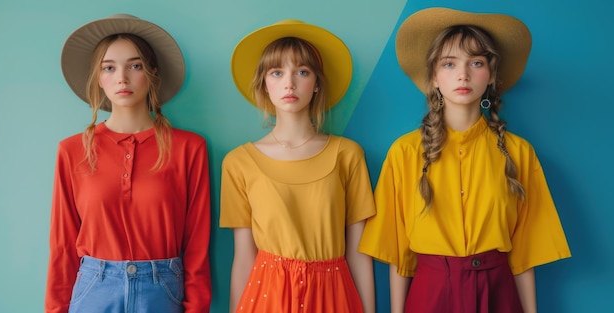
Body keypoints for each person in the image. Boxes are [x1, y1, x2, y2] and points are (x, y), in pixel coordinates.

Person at [359, 7, 571, 313]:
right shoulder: (404, 153)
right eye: (449, 63)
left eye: (476, 62)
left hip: (498, 293)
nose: (463, 74)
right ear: (433, 76)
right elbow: (398, 256)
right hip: (429, 294)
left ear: (491, 76)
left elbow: (526, 256)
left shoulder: (519, 152)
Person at [45, 14, 212, 313]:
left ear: (151, 73)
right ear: (98, 77)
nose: (122, 77)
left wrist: (197, 307)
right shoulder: (72, 150)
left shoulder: (189, 148)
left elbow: (198, 243)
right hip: (93, 290)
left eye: (135, 66)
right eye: (109, 68)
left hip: (162, 292)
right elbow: (62, 244)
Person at [220, 20, 376, 313]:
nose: (289, 83)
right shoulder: (239, 162)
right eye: (277, 73)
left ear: (316, 83)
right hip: (266, 297)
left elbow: (359, 253)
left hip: (333, 295)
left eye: (302, 72)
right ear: (264, 84)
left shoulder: (348, 154)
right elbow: (243, 257)